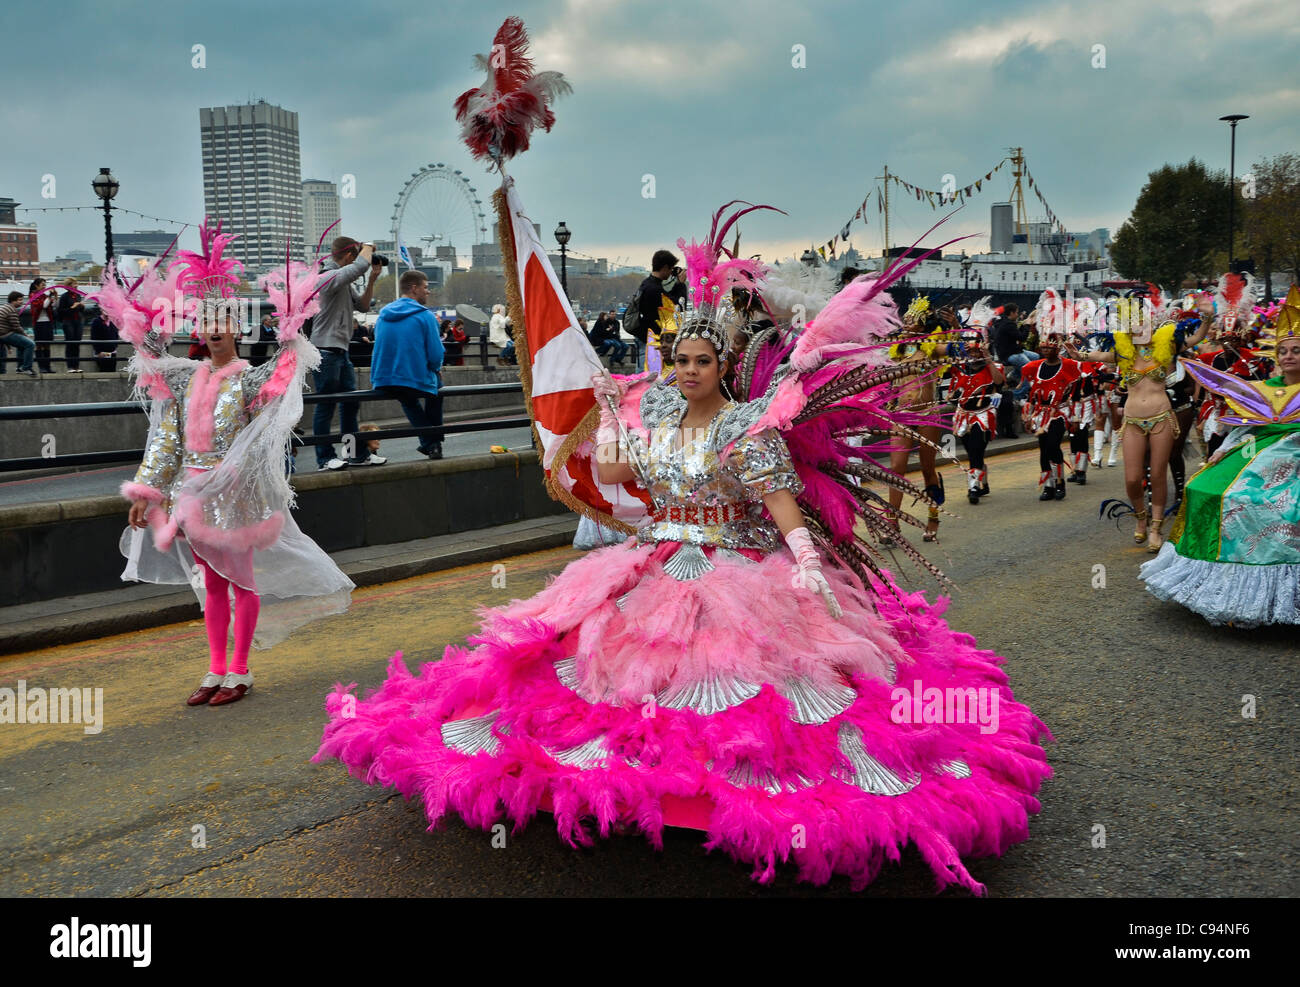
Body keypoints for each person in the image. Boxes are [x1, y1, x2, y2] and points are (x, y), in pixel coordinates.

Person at [315, 204, 1051, 894]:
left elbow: (776, 498)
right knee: (590, 667)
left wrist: (801, 555)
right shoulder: (660, 420)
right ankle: (630, 785)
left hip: (733, 567)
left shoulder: (747, 427)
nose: (688, 369)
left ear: (722, 364)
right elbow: (612, 473)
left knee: (748, 688)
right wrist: (609, 418)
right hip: (653, 559)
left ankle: (721, 798)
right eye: (680, 357)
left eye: (701, 360)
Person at [105, 221, 354, 706]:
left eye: (223, 324)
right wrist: (147, 492)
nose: (214, 332)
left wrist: (290, 330)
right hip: (193, 499)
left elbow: (284, 377)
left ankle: (240, 671)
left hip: (233, 496)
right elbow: (167, 445)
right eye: (207, 324)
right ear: (200, 330)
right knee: (211, 585)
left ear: (236, 329)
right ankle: (215, 669)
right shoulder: (187, 381)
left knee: (240, 581)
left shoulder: (248, 382)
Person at [1141, 286, 1300, 627]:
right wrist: (1224, 451)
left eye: (1297, 351)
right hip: (1259, 452)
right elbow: (1246, 429)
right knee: (1206, 488)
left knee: (1283, 504)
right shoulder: (1266, 388)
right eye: (1284, 351)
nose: (1288, 356)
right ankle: (1226, 588)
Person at [1073, 287, 1212, 548]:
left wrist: (1207, 318)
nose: (1139, 329)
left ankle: (1156, 528)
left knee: (1158, 473)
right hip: (1133, 421)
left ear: (1152, 326)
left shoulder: (1168, 346)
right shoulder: (1123, 353)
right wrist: (1076, 353)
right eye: (1132, 326)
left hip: (1161, 417)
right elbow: (1094, 355)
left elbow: (1196, 338)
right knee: (1132, 478)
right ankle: (1140, 517)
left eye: (1143, 324)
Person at [312, 235, 382, 471]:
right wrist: (369, 247)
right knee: (326, 405)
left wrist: (372, 278)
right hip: (325, 351)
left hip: (341, 351)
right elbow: (359, 266)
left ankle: (355, 455)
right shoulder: (327, 277)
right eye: (356, 254)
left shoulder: (341, 282)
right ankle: (324, 458)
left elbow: (363, 306)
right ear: (349, 255)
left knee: (349, 404)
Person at [371, 270, 445, 460]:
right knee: (437, 389)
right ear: (414, 288)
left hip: (383, 378)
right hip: (412, 377)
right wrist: (436, 369)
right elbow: (436, 355)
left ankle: (430, 443)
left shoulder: (383, 314)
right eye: (426, 287)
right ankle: (433, 443)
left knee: (407, 399)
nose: (428, 292)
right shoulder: (425, 316)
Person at [1022, 290, 1085, 502]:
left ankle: (1060, 483)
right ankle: (1047, 486)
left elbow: (1076, 391)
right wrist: (1028, 414)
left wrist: (1075, 416)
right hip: (1040, 414)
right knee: (1042, 450)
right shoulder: (1033, 367)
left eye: (1050, 346)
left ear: (1057, 347)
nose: (1045, 350)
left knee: (1052, 446)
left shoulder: (1069, 366)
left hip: (1059, 413)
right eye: (1043, 346)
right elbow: (1032, 394)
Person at [946, 299, 1005, 504]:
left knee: (977, 450)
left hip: (983, 415)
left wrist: (988, 359)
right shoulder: (960, 367)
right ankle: (983, 481)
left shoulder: (993, 366)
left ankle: (973, 488)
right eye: (969, 350)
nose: (972, 353)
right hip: (963, 415)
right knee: (972, 452)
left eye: (976, 350)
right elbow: (951, 350)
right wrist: (955, 326)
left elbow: (999, 382)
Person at [630, 249, 687, 373]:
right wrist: (681, 284)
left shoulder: (648, 284)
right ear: (665, 267)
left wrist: (677, 284)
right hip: (650, 341)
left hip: (645, 336)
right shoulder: (654, 289)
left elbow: (667, 300)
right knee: (647, 377)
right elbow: (676, 307)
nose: (672, 272)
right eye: (671, 268)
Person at [990, 303, 1037, 401]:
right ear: (1011, 313)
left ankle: (1014, 374)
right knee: (1030, 370)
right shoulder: (1008, 324)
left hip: (1012, 351)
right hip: (1011, 354)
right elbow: (1022, 337)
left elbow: (1015, 334)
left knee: (1036, 357)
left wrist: (1023, 326)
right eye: (1016, 312)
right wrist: (1027, 326)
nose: (1017, 314)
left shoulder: (1003, 322)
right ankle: (1016, 396)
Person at [0, 290, 38, 376]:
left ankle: (20, 367)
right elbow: (16, 326)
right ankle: (26, 368)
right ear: (13, 301)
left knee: (22, 345)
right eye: (20, 300)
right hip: (5, 334)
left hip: (2, 334)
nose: (22, 302)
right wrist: (26, 335)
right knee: (30, 344)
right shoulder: (12, 310)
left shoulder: (5, 307)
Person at [56, 278, 86, 373]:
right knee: (70, 343)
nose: (76, 285)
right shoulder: (64, 297)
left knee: (77, 344)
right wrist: (72, 307)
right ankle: (70, 366)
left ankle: (76, 366)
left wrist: (82, 306)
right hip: (68, 322)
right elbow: (61, 311)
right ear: (68, 286)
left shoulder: (78, 295)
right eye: (74, 283)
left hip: (78, 321)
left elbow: (80, 311)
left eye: (76, 283)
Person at [29, 277, 56, 373]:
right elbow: (43, 305)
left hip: (48, 322)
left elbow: (53, 305)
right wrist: (50, 296)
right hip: (39, 323)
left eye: (45, 285)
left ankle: (47, 367)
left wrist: (53, 297)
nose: (45, 287)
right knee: (39, 345)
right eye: (42, 285)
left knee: (47, 345)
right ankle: (42, 367)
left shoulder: (45, 295)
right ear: (36, 285)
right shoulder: (33, 295)